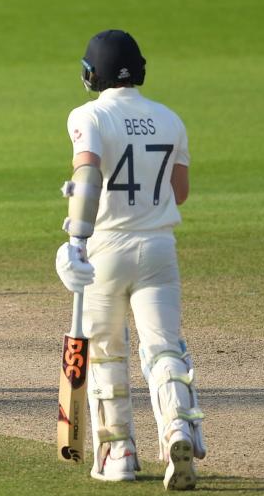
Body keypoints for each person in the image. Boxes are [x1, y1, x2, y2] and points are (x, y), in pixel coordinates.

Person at [54, 29, 206, 489]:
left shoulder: (88, 115)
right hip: (159, 249)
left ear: (90, 74)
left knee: (105, 353)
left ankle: (118, 452)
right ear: (139, 69)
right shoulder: (170, 118)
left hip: (106, 249)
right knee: (163, 346)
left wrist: (76, 239)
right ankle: (178, 426)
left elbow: (86, 174)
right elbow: (179, 192)